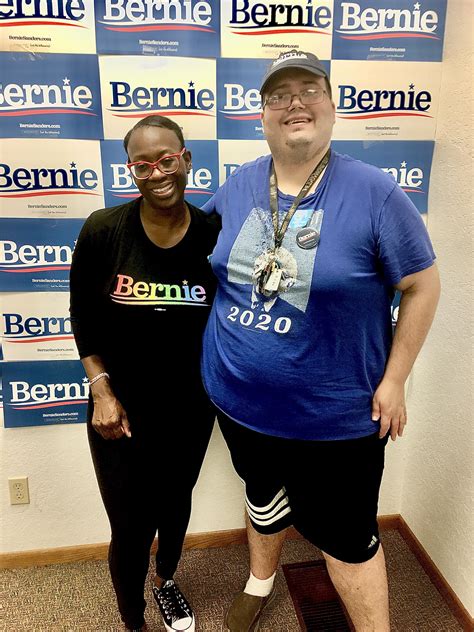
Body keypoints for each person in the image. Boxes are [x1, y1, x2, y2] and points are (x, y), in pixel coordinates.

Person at [201, 50, 441, 631]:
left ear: (332, 108)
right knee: (262, 498)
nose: (295, 104)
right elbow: (193, 259)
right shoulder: (237, 186)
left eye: (310, 90)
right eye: (279, 95)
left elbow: (423, 286)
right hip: (238, 402)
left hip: (335, 419)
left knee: (350, 542)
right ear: (261, 115)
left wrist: (396, 378)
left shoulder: (376, 193)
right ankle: (259, 584)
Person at [70, 115, 219, 632]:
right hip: (121, 411)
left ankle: (165, 581)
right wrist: (101, 391)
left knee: (175, 506)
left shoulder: (213, 235)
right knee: (130, 525)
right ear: (130, 169)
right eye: (143, 163)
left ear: (186, 160)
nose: (157, 172)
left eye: (167, 159)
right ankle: (132, 617)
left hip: (191, 409)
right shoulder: (102, 231)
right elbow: (84, 321)